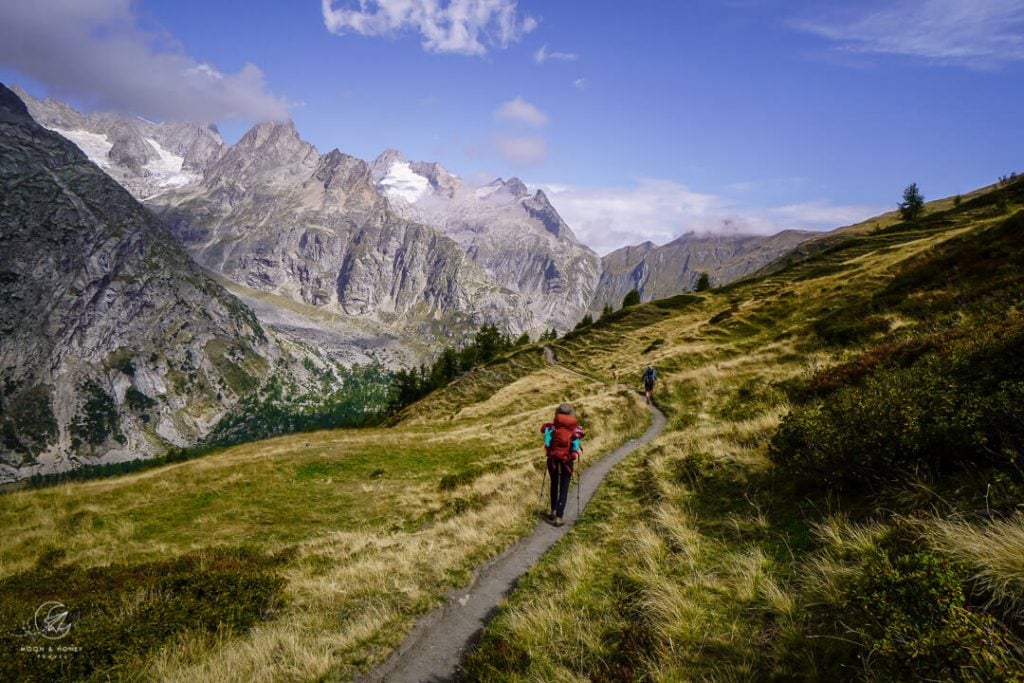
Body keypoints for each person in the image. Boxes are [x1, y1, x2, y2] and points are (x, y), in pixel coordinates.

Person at [540, 403, 585, 526]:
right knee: (564, 488)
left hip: (553, 459)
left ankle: (553, 510)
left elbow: (547, 444)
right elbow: (576, 447)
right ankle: (559, 517)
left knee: (554, 484)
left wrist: (550, 451)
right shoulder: (574, 429)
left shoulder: (551, 428)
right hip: (567, 460)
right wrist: (578, 450)